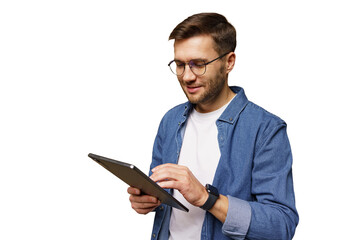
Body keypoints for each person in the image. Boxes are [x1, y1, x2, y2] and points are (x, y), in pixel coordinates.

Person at [127, 12, 299, 240]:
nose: (187, 76)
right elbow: (162, 198)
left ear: (229, 62)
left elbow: (281, 225)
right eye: (179, 65)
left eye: (198, 64)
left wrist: (206, 198)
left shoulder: (266, 129)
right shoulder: (170, 121)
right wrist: (148, 201)